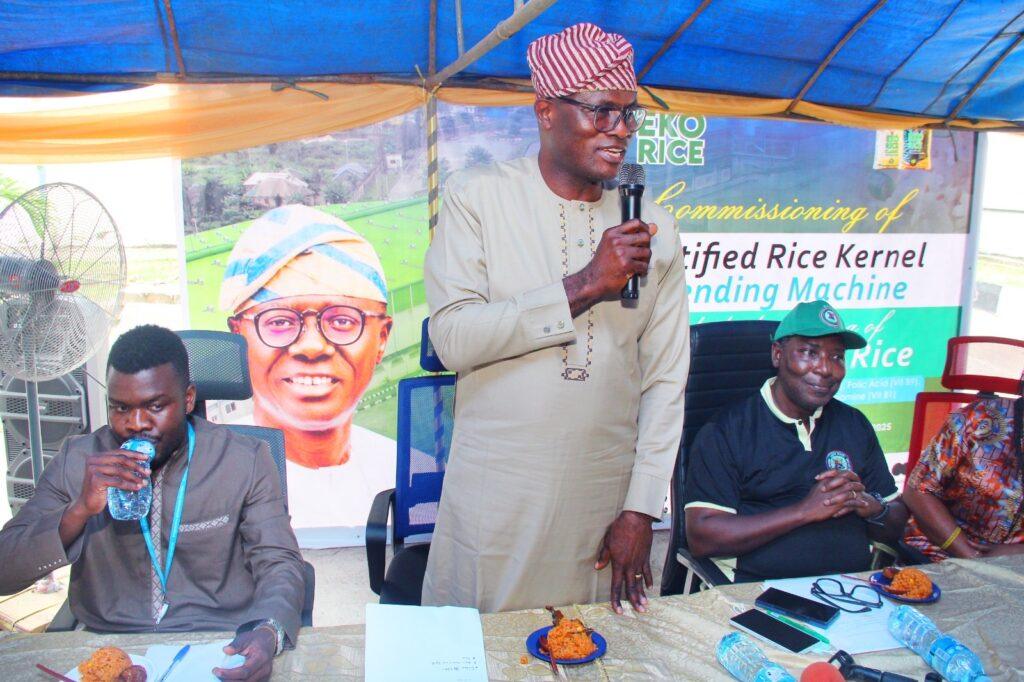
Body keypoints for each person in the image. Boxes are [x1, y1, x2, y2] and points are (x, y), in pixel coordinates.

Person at [422, 23, 689, 614]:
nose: (620, 130)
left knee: (596, 647)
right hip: (498, 498)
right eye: (601, 111)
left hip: (604, 502)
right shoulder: (478, 198)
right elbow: (453, 339)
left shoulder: (657, 229)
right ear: (546, 111)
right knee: (488, 649)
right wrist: (588, 284)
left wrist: (642, 509)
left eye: (629, 113)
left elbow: (665, 381)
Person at [0, 325, 303, 681]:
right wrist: (79, 511)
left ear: (188, 399)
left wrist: (268, 630)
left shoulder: (244, 459)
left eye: (155, 406)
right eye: (120, 408)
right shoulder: (77, 461)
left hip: (216, 642)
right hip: (108, 643)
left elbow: (279, 562)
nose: (136, 424)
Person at [684, 300, 908, 583]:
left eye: (837, 357)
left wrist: (873, 507)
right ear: (778, 355)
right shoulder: (727, 431)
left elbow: (897, 519)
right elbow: (702, 536)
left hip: (852, 589)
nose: (825, 368)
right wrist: (803, 511)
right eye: (809, 353)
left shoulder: (854, 424)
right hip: (759, 593)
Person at [221, 204, 395, 534]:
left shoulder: (402, 468)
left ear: (382, 338)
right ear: (238, 337)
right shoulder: (207, 477)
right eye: (279, 322)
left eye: (342, 321)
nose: (312, 346)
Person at [902, 384, 1024, 561]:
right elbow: (918, 491)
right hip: (939, 552)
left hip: (1015, 567)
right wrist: (972, 557)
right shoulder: (980, 418)